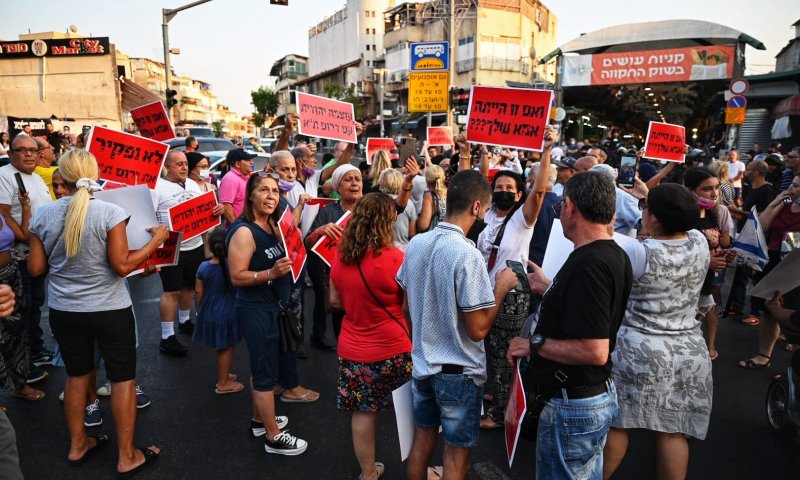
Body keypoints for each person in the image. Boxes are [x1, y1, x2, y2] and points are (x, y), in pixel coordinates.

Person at [27, 149, 168, 475]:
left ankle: (78, 445)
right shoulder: (109, 212)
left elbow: (35, 268)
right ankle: (126, 455)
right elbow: (121, 266)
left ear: (61, 175)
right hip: (109, 310)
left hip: (64, 310)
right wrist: (154, 243)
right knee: (122, 381)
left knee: (77, 376)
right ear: (94, 173)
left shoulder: (44, 215)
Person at [507, 171, 633, 480]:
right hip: (587, 397)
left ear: (572, 207)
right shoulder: (610, 253)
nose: (559, 214)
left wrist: (533, 344)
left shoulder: (589, 264)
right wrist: (549, 288)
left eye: (560, 207)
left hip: (573, 404)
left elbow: (594, 350)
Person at [397, 169, 518, 480]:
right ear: (477, 207)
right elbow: (478, 329)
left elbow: (406, 306)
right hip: (459, 373)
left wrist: (424, 340)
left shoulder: (417, 243)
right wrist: (502, 287)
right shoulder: (468, 254)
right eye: (487, 208)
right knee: (456, 454)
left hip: (423, 364)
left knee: (422, 441)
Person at [601, 183, 712, 480]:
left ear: (657, 220)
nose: (642, 211)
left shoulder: (639, 252)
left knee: (617, 423)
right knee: (672, 431)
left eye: (645, 207)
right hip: (688, 351)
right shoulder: (700, 241)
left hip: (639, 349)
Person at [476, 126, 556, 429]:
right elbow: (483, 181)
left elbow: (539, 190)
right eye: (499, 187)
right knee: (489, 347)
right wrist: (480, 151)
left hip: (512, 294)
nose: (503, 191)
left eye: (510, 187)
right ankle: (499, 395)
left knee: (504, 350)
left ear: (519, 194)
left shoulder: (523, 218)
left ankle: (500, 414)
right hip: (485, 288)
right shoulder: (486, 215)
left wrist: (546, 150)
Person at [329, 193, 412, 480]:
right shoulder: (397, 259)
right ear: (387, 221)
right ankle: (416, 468)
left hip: (354, 348)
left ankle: (368, 473)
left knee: (364, 413)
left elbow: (335, 302)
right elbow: (406, 305)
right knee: (410, 412)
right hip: (396, 346)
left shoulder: (340, 256)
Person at [226, 172, 309, 456]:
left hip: (273, 309)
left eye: (275, 191)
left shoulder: (272, 225)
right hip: (256, 311)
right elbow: (236, 276)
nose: (271, 196)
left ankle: (260, 421)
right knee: (264, 375)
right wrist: (270, 274)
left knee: (265, 369)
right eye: (264, 190)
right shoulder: (244, 231)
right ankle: (273, 437)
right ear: (250, 195)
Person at [152, 150, 225, 356]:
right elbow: (148, 217)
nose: (184, 167)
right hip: (171, 247)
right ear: (167, 166)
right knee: (171, 291)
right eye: (178, 164)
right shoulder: (157, 188)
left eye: (185, 163)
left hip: (194, 244)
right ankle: (167, 337)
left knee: (189, 287)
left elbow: (204, 210)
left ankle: (185, 321)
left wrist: (216, 210)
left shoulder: (193, 185)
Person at [0, 134, 54, 383]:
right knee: (22, 309)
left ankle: (36, 348)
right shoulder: (5, 176)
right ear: (11, 153)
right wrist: (24, 238)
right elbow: (4, 216)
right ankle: (26, 363)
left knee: (35, 304)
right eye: (22, 150)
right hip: (18, 257)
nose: (30, 154)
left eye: (34, 150)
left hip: (38, 252)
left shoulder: (35, 177)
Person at [738, 174, 800, 369]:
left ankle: (794, 367)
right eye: (793, 184)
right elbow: (762, 226)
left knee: (794, 312)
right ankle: (763, 356)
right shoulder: (785, 203)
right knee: (769, 309)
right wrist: (776, 203)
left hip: (796, 264)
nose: (793, 189)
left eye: (798, 187)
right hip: (774, 259)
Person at [683, 167, 735, 361]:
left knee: (709, 307)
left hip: (708, 278)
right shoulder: (680, 215)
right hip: (685, 281)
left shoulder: (716, 212)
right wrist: (706, 261)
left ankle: (709, 344)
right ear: (690, 190)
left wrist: (725, 255)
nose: (714, 193)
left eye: (717, 187)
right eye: (707, 189)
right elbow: (671, 250)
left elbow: (723, 243)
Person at [0, 179, 41, 407]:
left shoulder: (2, 212)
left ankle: (19, 385)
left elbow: (24, 236)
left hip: (11, 275)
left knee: (15, 332)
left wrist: (25, 207)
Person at [193, 229, 243, 394]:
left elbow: (198, 292)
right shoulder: (234, 265)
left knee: (223, 346)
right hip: (228, 311)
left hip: (211, 309)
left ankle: (225, 374)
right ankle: (223, 383)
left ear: (209, 246)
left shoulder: (203, 266)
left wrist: (199, 309)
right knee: (226, 347)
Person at [186, 152, 217, 258]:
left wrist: (221, 209)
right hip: (192, 241)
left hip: (210, 238)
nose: (206, 169)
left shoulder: (211, 187)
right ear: (192, 168)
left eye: (207, 166)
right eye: (203, 167)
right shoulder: (184, 189)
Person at [376, 169, 417, 246]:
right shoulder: (409, 203)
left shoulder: (377, 202)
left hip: (382, 246)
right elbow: (412, 233)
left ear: (382, 183)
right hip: (403, 246)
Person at [219, 148, 258, 225]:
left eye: (251, 160)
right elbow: (226, 206)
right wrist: (236, 227)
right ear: (237, 164)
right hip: (240, 229)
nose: (252, 162)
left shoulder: (246, 176)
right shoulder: (230, 179)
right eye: (248, 160)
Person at [416, 165, 446, 234]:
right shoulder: (450, 192)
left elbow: (423, 225)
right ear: (443, 178)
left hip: (435, 237)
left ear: (427, 181)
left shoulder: (429, 196)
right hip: (449, 236)